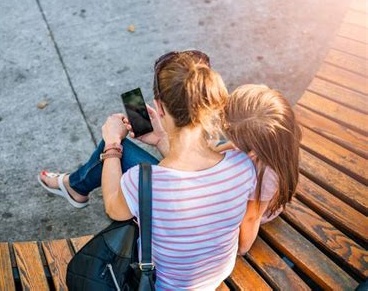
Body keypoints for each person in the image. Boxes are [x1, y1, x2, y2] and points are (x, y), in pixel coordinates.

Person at [39, 50, 260, 289]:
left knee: (115, 150)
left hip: (167, 285)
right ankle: (74, 185)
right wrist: (161, 140)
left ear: (159, 108)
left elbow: (114, 209)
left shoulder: (144, 181)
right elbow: (193, 178)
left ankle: (75, 186)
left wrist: (112, 143)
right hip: (212, 276)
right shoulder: (242, 166)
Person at [218, 84, 302, 254]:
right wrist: (215, 150)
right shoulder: (281, 136)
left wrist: (240, 249)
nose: (232, 142)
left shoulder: (267, 175)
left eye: (236, 141)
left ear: (254, 150)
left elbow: (252, 217)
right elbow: (230, 146)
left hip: (255, 210)